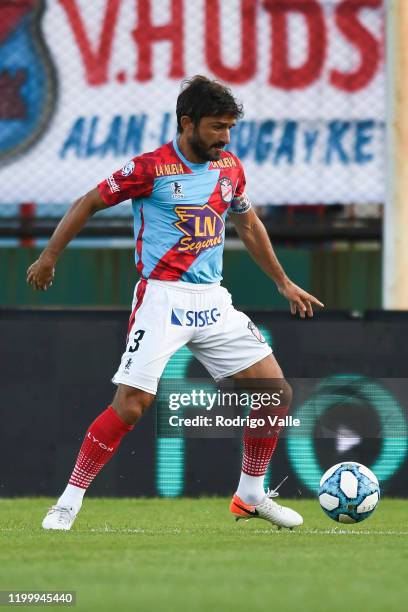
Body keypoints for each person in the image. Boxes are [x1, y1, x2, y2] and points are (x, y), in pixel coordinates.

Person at [27, 75, 324, 531]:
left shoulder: (229, 167)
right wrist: (49, 257)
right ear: (187, 123)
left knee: (276, 393)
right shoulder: (150, 168)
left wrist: (283, 282)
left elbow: (248, 225)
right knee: (130, 406)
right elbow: (87, 202)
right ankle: (67, 501)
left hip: (213, 300)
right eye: (216, 127)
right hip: (162, 297)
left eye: (229, 128)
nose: (224, 137)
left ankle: (250, 494)